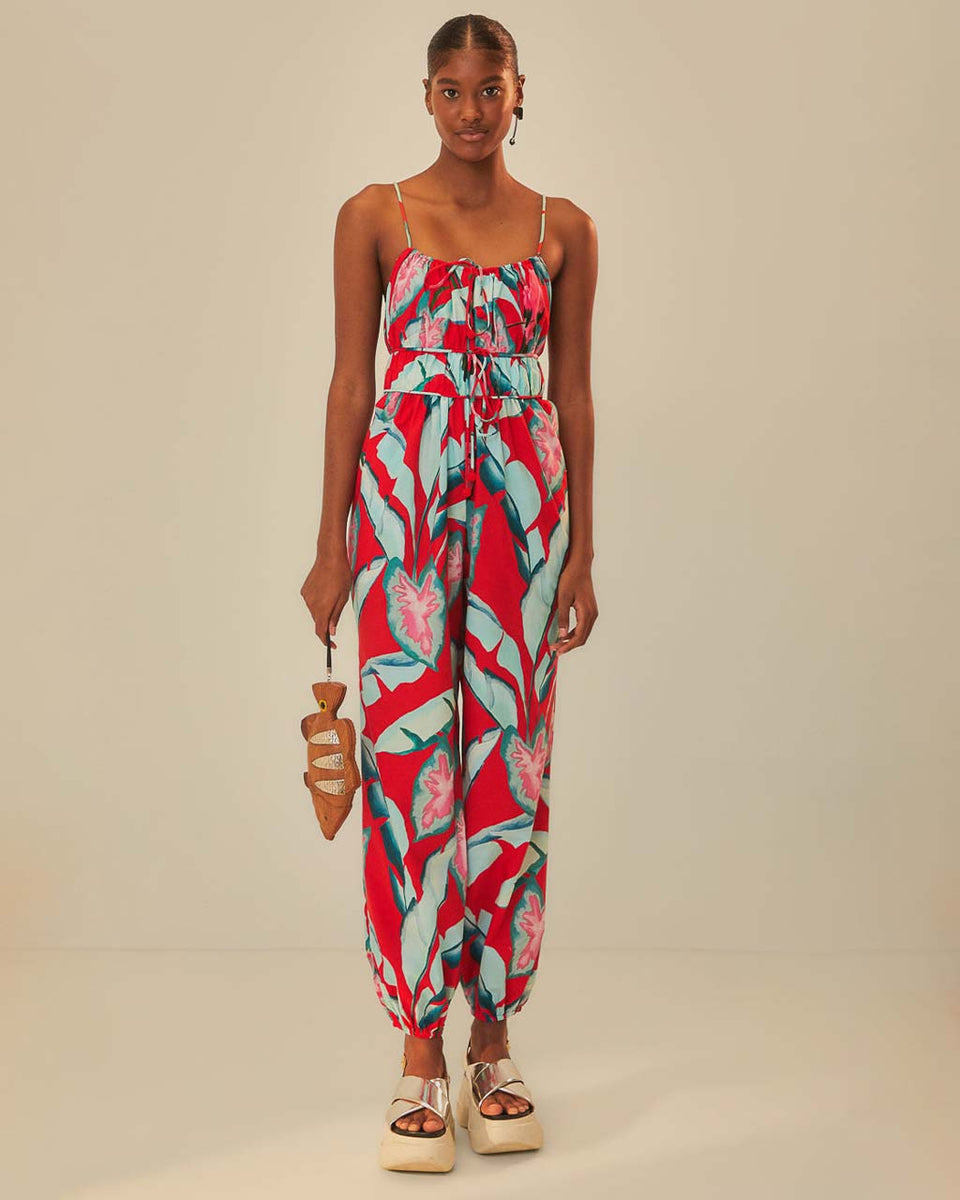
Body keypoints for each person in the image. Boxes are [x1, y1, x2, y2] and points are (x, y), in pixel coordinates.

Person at [300, 13, 598, 1172]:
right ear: (426, 98)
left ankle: (494, 1041)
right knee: (412, 767)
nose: (472, 110)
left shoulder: (564, 229)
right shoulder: (374, 215)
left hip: (527, 521)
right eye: (452, 90)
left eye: (491, 88)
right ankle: (419, 1048)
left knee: (510, 770)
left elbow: (573, 397)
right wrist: (331, 545)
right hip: (403, 519)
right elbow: (350, 383)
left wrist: (581, 554)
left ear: (521, 93)